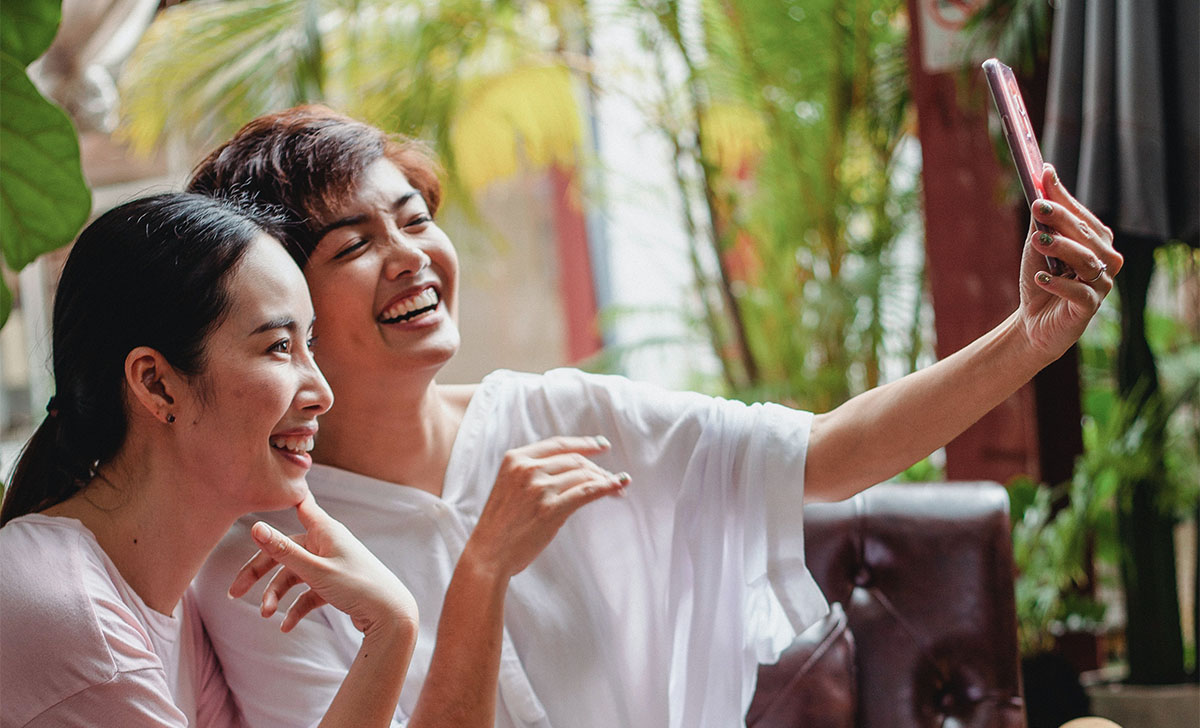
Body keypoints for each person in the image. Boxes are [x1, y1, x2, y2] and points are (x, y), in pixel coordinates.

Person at [187, 106, 1122, 728]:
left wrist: (1030, 339)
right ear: (279, 303)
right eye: (354, 244)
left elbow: (828, 455)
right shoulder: (262, 561)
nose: (410, 256)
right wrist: (483, 572)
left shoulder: (559, 411)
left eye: (414, 218)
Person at [0, 193, 426, 727]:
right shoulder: (68, 614)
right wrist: (390, 630)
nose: (321, 392)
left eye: (309, 344)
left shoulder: (180, 606)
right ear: (157, 384)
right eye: (278, 347)